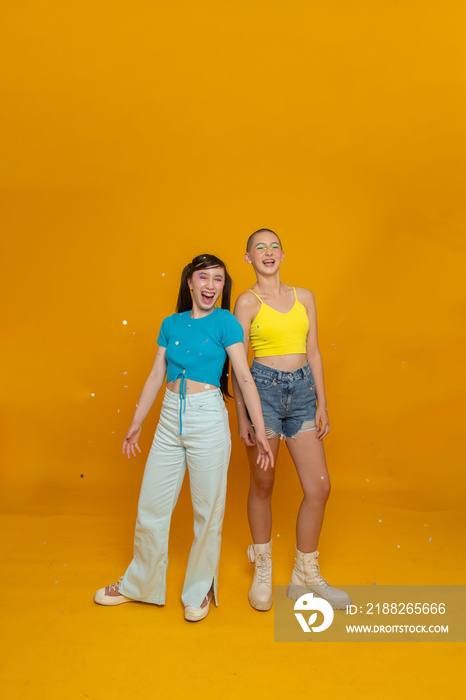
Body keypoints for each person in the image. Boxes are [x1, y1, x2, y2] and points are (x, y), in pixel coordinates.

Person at [94, 254, 273, 622]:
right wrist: (136, 421)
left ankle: (200, 588)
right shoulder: (171, 324)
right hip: (167, 419)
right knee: (151, 508)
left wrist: (261, 430)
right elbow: (155, 375)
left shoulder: (225, 322)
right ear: (189, 283)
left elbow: (243, 377)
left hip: (207, 417)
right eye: (203, 278)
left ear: (224, 287)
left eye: (218, 280)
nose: (210, 285)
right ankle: (139, 585)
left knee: (207, 512)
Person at [232, 230, 350, 611]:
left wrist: (322, 404)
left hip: (302, 394)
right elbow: (235, 365)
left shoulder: (305, 297)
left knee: (319, 488)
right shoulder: (246, 302)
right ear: (248, 257)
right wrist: (242, 419)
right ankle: (263, 568)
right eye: (259, 248)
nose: (267, 253)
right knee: (263, 484)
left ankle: (304, 574)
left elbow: (313, 351)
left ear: (283, 254)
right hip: (262, 394)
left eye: (273, 247)